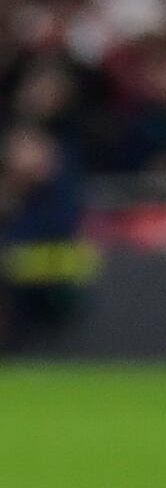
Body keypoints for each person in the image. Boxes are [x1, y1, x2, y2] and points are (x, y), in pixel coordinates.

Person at [0, 125, 96, 356]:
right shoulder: (12, 190)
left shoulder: (60, 188)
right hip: (16, 270)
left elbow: (56, 228)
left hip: (56, 272)